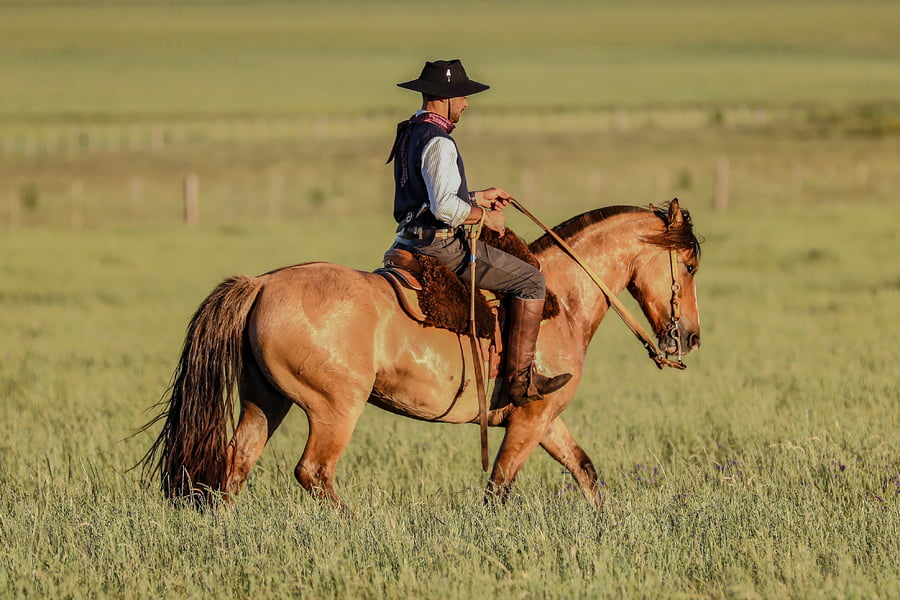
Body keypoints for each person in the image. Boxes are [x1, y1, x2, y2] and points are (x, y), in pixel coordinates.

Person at [387, 59, 571, 407]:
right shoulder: (440, 142)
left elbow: (427, 197)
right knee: (532, 281)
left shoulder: (412, 130)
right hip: (439, 246)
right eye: (463, 96)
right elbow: (443, 209)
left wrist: (475, 197)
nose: (467, 103)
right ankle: (519, 381)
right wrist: (482, 215)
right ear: (445, 98)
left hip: (408, 237)